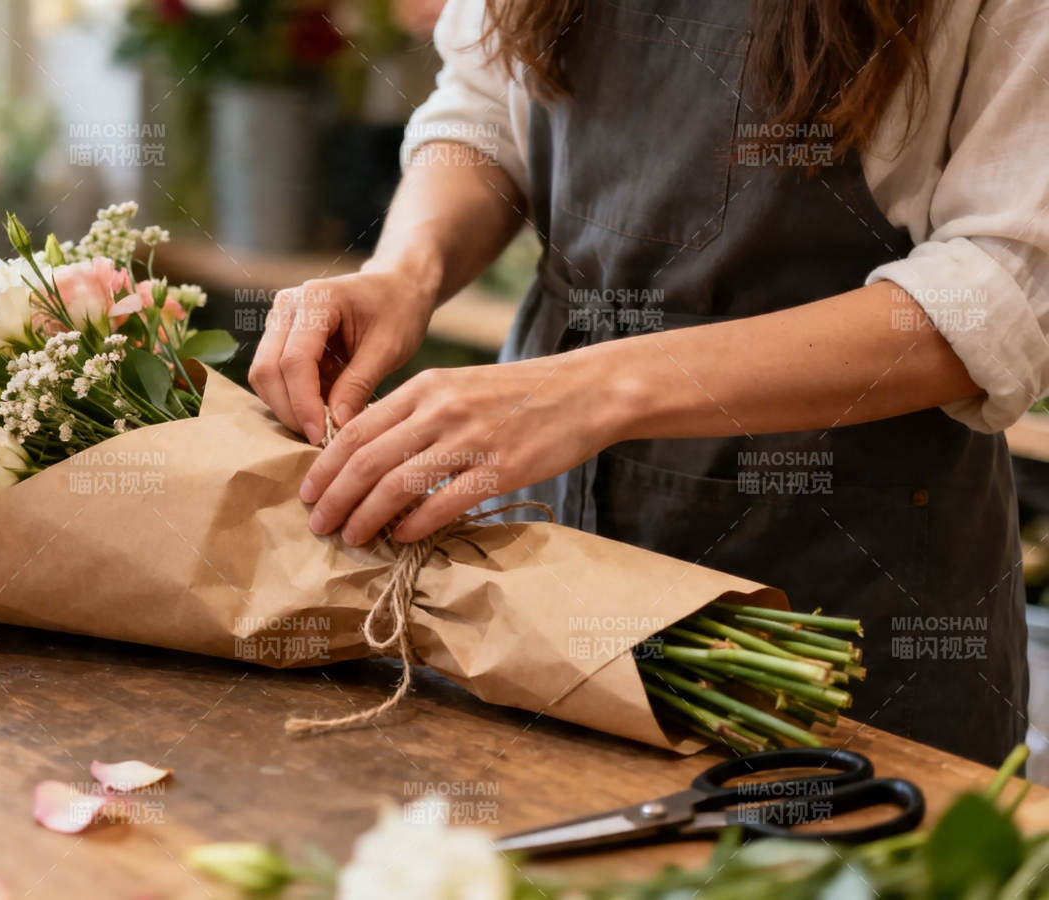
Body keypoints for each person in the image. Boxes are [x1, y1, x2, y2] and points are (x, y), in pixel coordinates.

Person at [248, 0, 1049, 764]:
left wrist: (595, 391)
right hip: (542, 533)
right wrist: (404, 273)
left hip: (844, 561)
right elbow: (487, 107)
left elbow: (1006, 286)